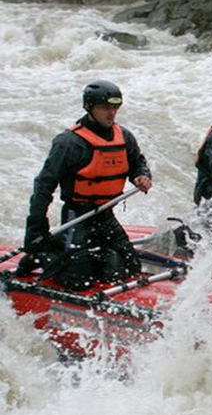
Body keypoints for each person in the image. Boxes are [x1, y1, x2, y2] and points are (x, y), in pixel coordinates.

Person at [21, 80, 152, 290]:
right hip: (77, 217)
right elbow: (43, 187)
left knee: (130, 268)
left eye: (115, 108)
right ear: (89, 108)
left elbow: (138, 163)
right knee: (79, 281)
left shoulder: (124, 137)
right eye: (105, 108)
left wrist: (142, 176)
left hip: (105, 215)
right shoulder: (69, 143)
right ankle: (42, 254)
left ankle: (89, 256)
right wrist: (36, 230)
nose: (111, 114)